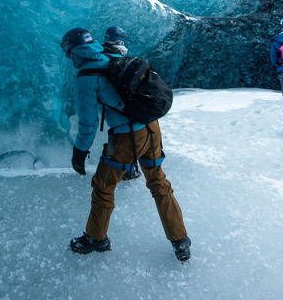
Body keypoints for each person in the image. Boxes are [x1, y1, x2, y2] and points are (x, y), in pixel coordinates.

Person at [60, 28, 191, 262]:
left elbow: (88, 123)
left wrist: (79, 152)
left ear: (72, 51)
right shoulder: (111, 57)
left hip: (127, 137)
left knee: (103, 185)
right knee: (158, 182)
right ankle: (180, 239)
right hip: (151, 127)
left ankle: (96, 238)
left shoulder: (85, 77)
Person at [101, 26, 141, 182]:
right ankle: (126, 170)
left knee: (117, 132)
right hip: (124, 105)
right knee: (126, 134)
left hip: (110, 105)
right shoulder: (120, 57)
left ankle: (118, 168)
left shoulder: (102, 56)